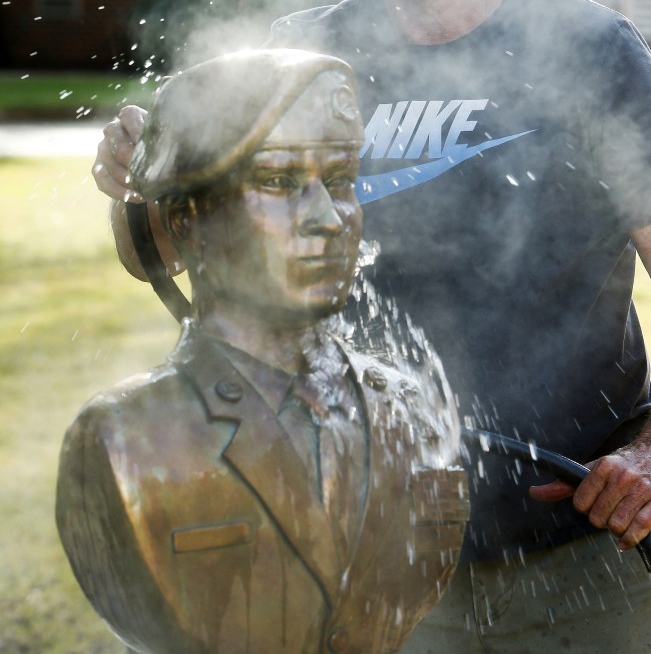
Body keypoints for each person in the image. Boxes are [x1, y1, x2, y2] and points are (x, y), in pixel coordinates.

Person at [93, 0, 651, 652]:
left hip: (585, 551)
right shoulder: (296, 61)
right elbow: (170, 258)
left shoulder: (591, 52)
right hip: (364, 556)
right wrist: (144, 181)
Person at [61, 49, 469, 654]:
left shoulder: (411, 408)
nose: (329, 219)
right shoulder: (123, 439)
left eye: (339, 182)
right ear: (185, 221)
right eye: (278, 182)